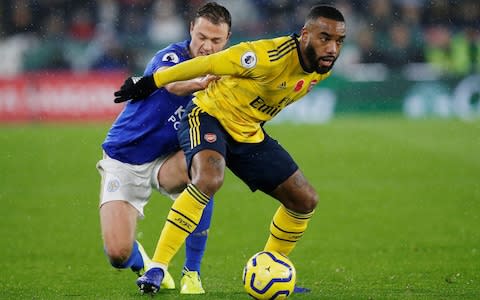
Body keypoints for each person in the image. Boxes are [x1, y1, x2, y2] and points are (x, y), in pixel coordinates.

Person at [114, 5, 346, 295]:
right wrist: (150, 82)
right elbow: (208, 64)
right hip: (208, 115)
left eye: (339, 41)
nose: (333, 48)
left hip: (248, 132)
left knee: (304, 199)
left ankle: (271, 267)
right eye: (325, 38)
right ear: (305, 35)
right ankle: (157, 268)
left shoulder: (321, 67)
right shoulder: (264, 56)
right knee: (209, 179)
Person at [97, 2, 231, 294]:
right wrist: (200, 83)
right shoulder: (171, 55)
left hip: (168, 161)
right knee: (118, 254)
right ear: (191, 30)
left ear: (227, 40)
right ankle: (143, 262)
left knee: (205, 169)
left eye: (216, 40)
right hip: (125, 158)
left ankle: (191, 272)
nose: (207, 46)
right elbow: (172, 84)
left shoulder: (227, 70)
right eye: (202, 37)